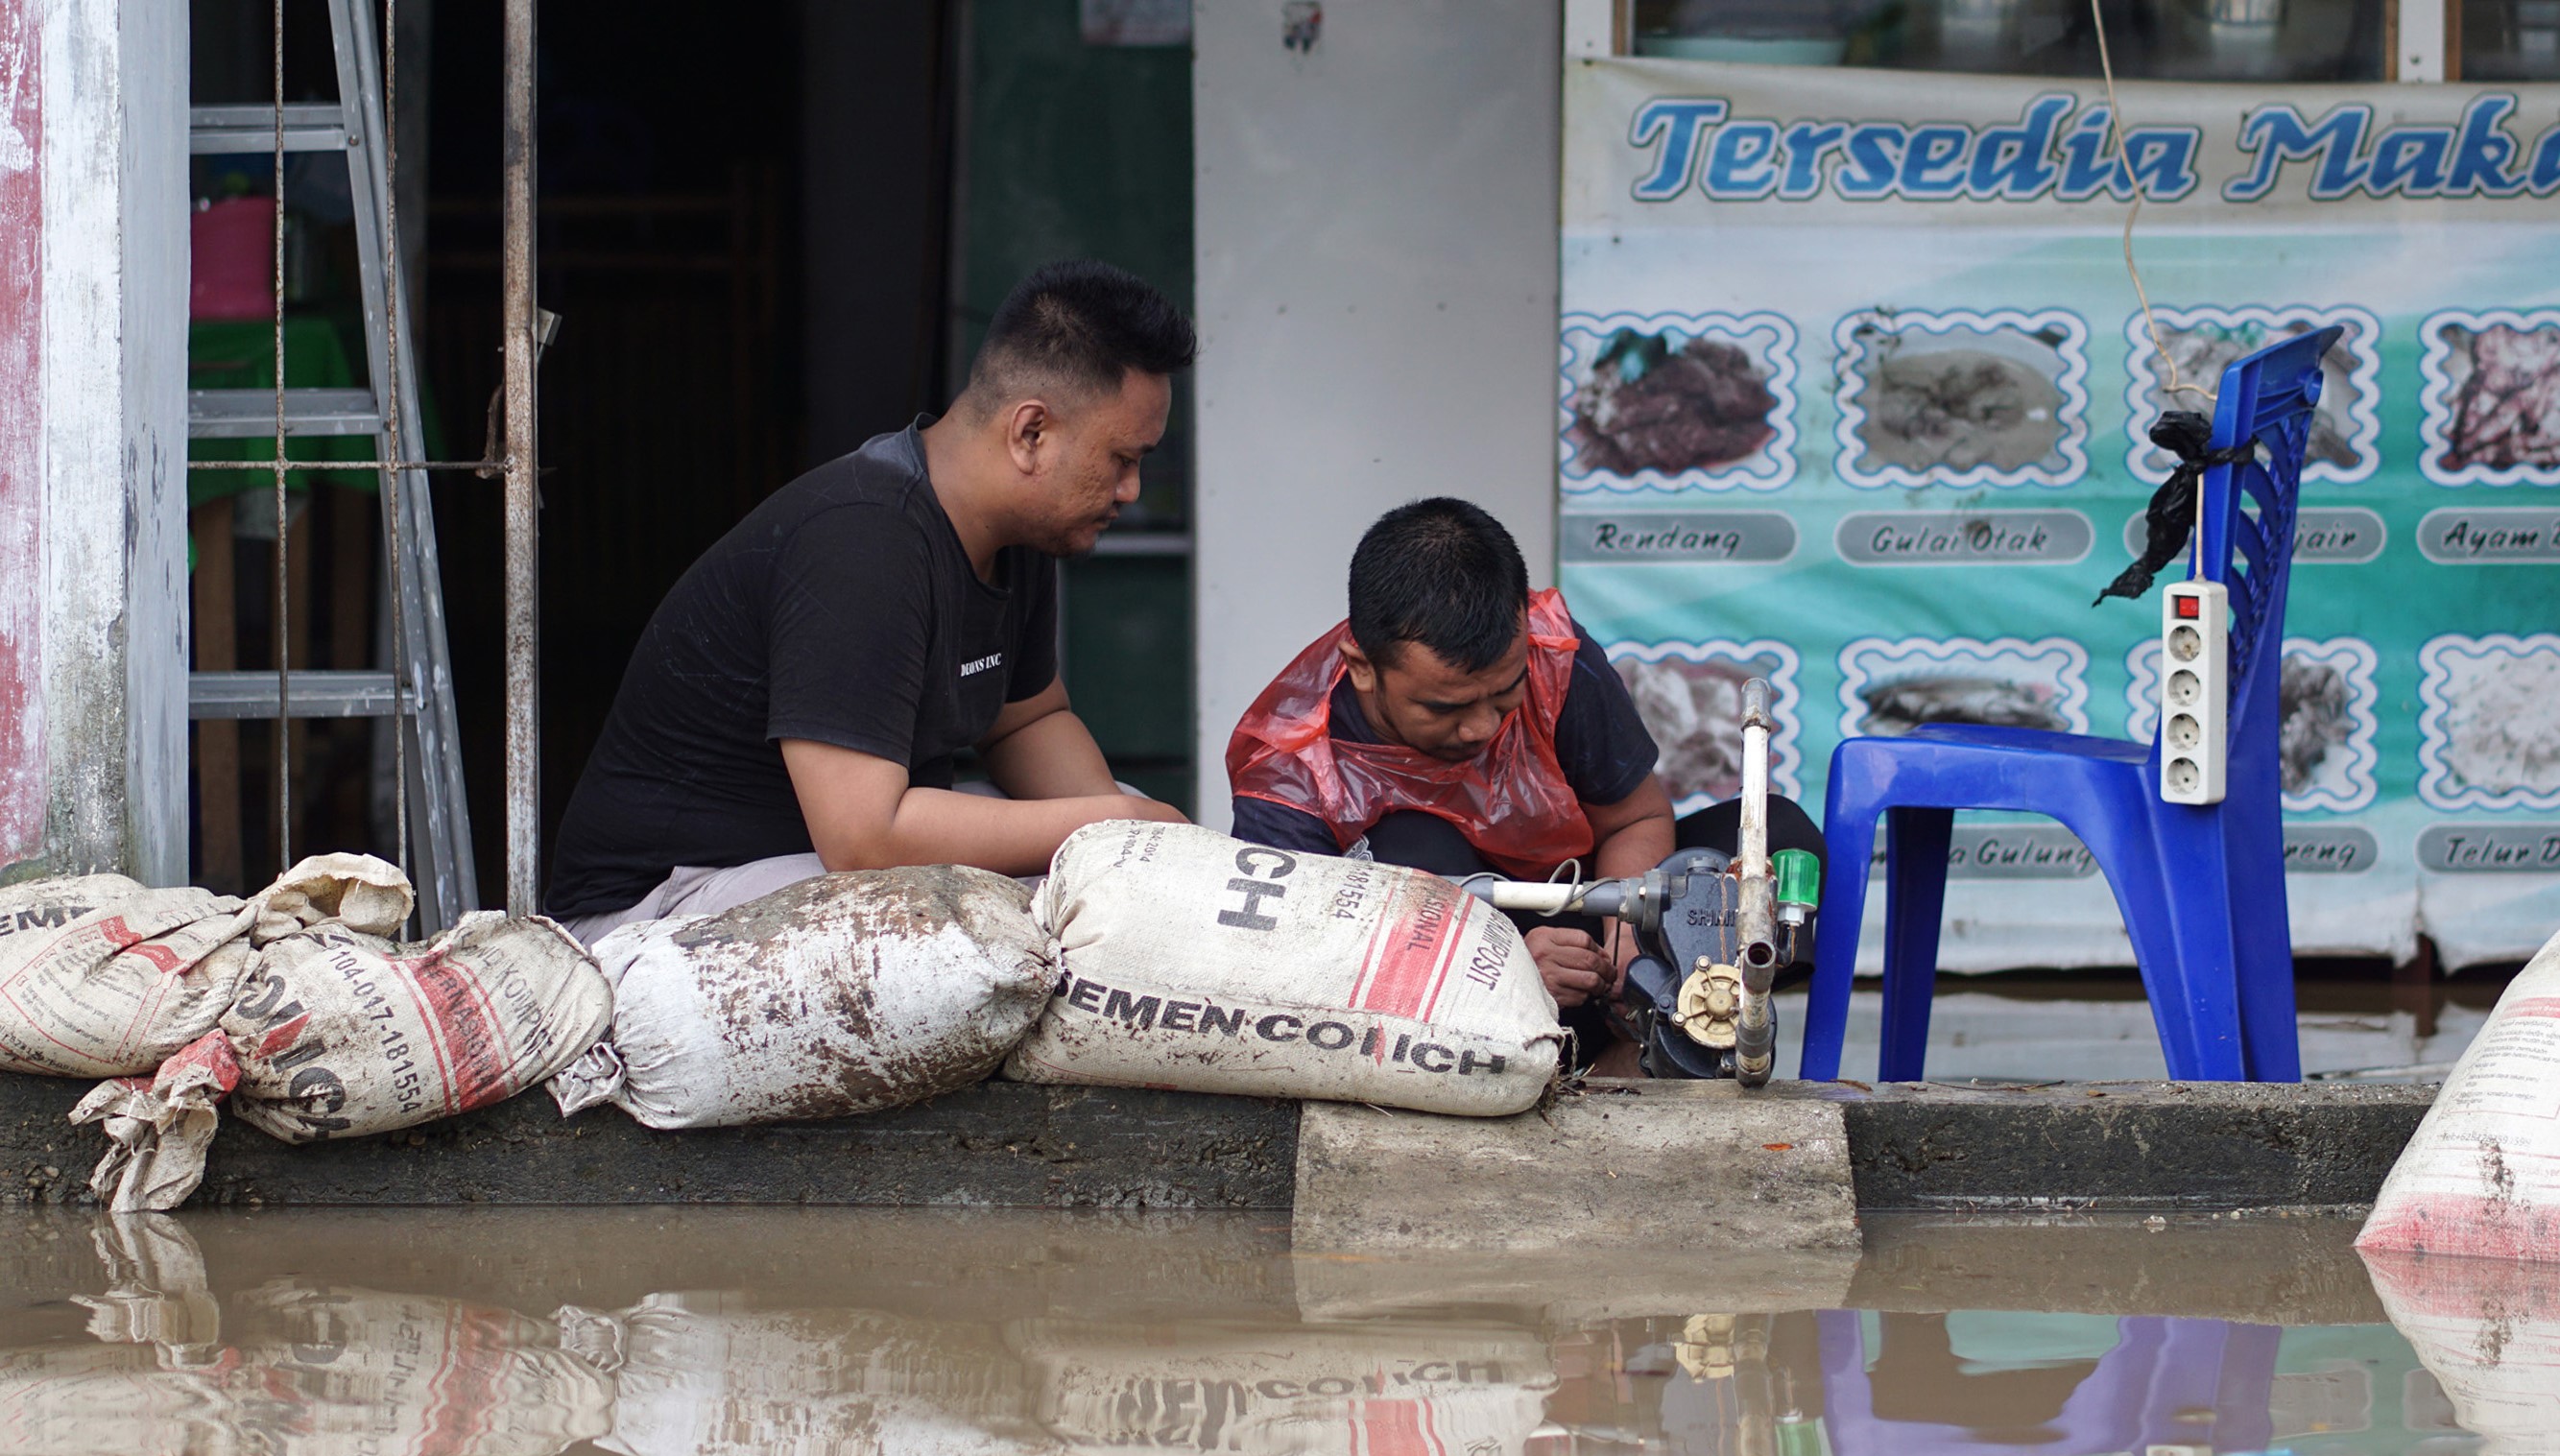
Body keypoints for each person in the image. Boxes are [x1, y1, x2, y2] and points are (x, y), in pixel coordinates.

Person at [545, 260, 1195, 943]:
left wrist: (1119, 840)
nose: (1131, 490)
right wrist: (1107, 827)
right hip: (658, 911)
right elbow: (863, 839)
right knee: (1007, 923)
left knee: (1128, 858)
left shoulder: (1020, 535)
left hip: (813, 878)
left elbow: (1025, 723)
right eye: (1121, 459)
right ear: (1030, 434)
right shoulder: (865, 538)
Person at [1226, 497, 1824, 1061]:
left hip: (1583, 934)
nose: (1480, 727)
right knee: (1416, 852)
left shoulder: (1554, 656)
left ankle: (1642, 1044)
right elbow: (1297, 963)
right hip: (1438, 993)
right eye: (1444, 707)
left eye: (1505, 693)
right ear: (1362, 666)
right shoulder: (1288, 765)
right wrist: (1493, 968)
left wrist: (1630, 940)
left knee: (1777, 848)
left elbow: (1636, 817)